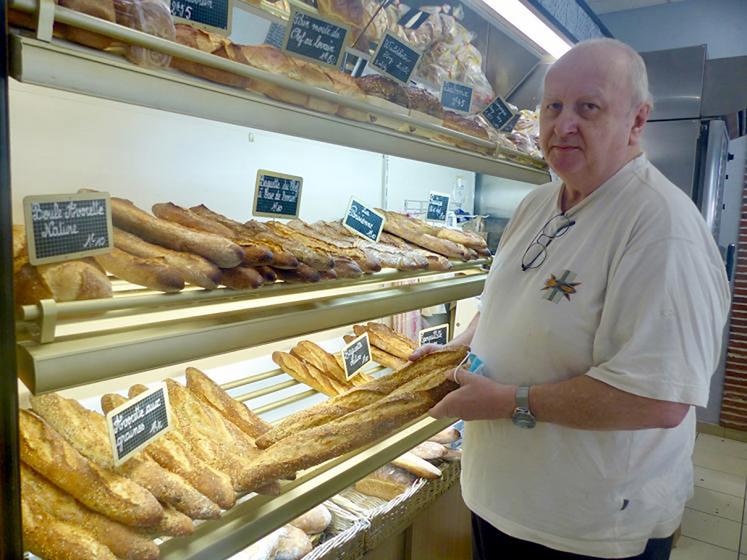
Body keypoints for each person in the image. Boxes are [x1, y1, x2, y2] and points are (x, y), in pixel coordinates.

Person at [412, 38, 731, 560]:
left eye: (589, 107)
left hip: (587, 530)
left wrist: (508, 401)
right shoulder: (538, 202)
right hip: (502, 502)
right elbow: (504, 307)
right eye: (552, 106)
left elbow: (660, 397)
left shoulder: (660, 227)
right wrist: (458, 348)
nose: (563, 124)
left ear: (637, 120)